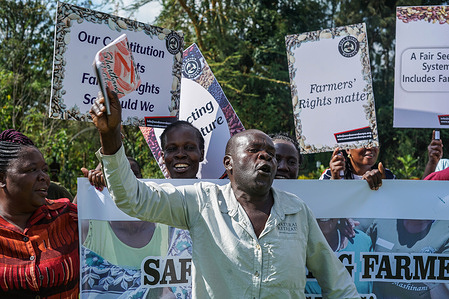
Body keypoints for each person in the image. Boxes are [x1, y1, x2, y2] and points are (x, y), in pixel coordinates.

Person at [89, 89, 360, 298]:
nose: (265, 155)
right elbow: (131, 198)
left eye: (271, 154)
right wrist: (111, 136)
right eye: (254, 150)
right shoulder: (200, 201)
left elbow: (336, 282)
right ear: (228, 163)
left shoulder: (297, 210)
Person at [270, 134, 372, 295]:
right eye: (276, 159)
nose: (283, 167)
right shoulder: (247, 203)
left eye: (291, 162)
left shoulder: (305, 207)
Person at [0, 129, 79, 298]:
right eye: (32, 170)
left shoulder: (67, 216)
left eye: (44, 170)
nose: (43, 177)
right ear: (2, 179)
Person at [320, 146, 395, 190]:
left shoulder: (387, 175)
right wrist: (335, 180)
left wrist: (384, 185)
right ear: (348, 150)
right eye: (363, 143)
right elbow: (321, 208)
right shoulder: (329, 175)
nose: (370, 147)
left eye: (374, 142)